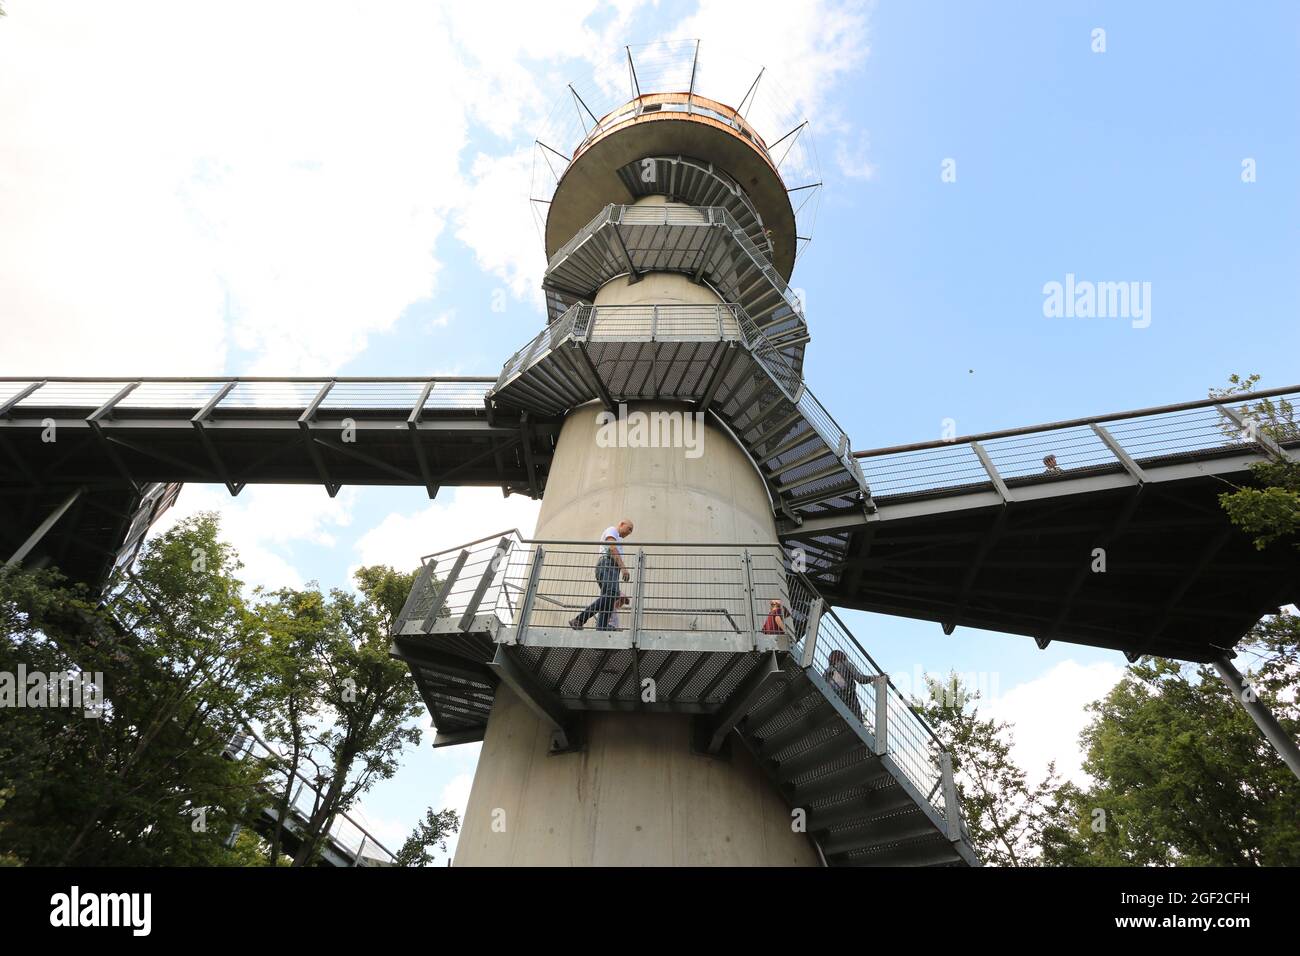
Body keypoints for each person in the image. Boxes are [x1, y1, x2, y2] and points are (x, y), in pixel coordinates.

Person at [570, 518, 633, 631]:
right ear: (622, 524)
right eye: (629, 529)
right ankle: (579, 619)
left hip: (611, 568)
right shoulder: (612, 530)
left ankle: (601, 627)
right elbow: (612, 547)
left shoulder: (618, 538)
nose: (629, 532)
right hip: (607, 565)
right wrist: (623, 568)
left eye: (631, 531)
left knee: (610, 597)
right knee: (612, 593)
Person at [824, 649, 870, 722]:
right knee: (857, 722)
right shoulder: (846, 664)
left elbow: (824, 686)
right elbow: (860, 679)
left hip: (833, 700)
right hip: (849, 699)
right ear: (842, 656)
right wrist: (874, 677)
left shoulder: (827, 671)